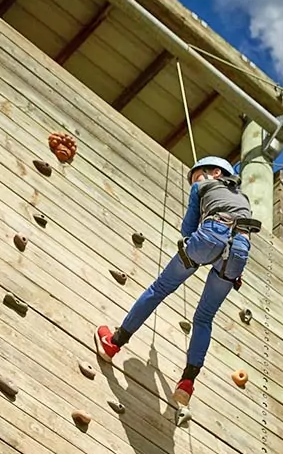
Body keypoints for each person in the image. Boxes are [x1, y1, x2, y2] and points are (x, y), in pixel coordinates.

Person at [95, 156, 258, 407]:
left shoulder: (201, 186)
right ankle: (187, 383)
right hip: (238, 253)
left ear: (216, 172)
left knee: (159, 289)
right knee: (204, 318)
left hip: (210, 236)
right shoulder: (243, 199)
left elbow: (187, 229)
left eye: (198, 175)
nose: (195, 181)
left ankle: (113, 345)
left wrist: (200, 201)